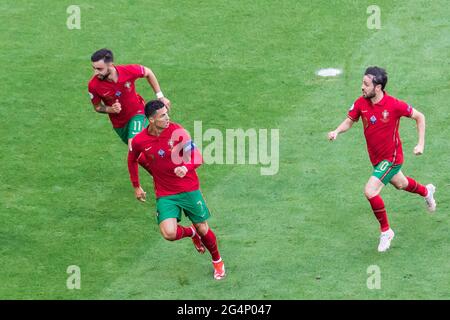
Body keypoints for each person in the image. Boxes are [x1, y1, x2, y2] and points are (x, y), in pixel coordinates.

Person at [328, 66, 436, 252]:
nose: (362, 87)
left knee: (370, 191)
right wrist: (337, 131)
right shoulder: (361, 103)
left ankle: (386, 231)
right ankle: (426, 191)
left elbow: (420, 117)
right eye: (363, 83)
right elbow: (349, 121)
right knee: (401, 184)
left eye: (366, 84)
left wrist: (421, 144)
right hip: (377, 159)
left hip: (392, 158)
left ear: (377, 87)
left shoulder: (394, 105)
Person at [127, 100, 226, 280]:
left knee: (203, 228)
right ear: (151, 119)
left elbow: (197, 157)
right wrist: (136, 186)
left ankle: (217, 261)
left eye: (167, 113)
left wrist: (186, 167)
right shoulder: (140, 140)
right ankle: (191, 233)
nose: (167, 117)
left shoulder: (177, 132)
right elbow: (132, 159)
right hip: (165, 193)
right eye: (162, 115)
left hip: (188, 188)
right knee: (169, 233)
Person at [87, 48, 171, 151]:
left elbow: (148, 72)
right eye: (94, 68)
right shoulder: (93, 85)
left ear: (110, 65)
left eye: (99, 69)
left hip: (138, 113)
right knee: (142, 151)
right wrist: (111, 109)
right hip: (120, 124)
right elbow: (98, 107)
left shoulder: (127, 71)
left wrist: (160, 96)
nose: (95, 72)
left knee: (133, 146)